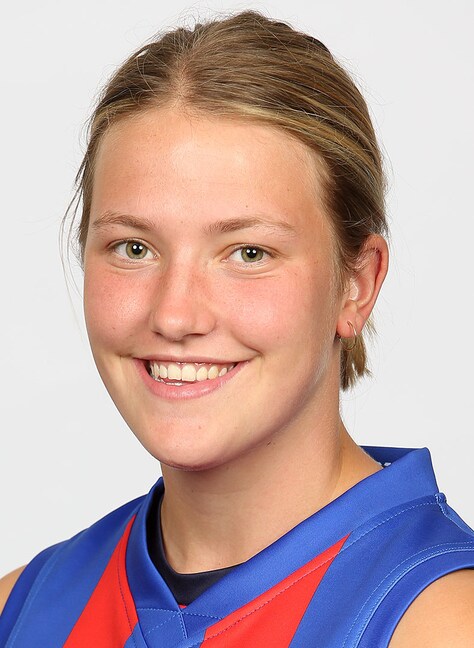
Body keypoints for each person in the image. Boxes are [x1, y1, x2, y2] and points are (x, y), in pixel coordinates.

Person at [1, 10, 473, 647]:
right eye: (134, 248)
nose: (175, 316)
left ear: (357, 284)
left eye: (249, 253)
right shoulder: (21, 610)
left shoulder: (443, 624)